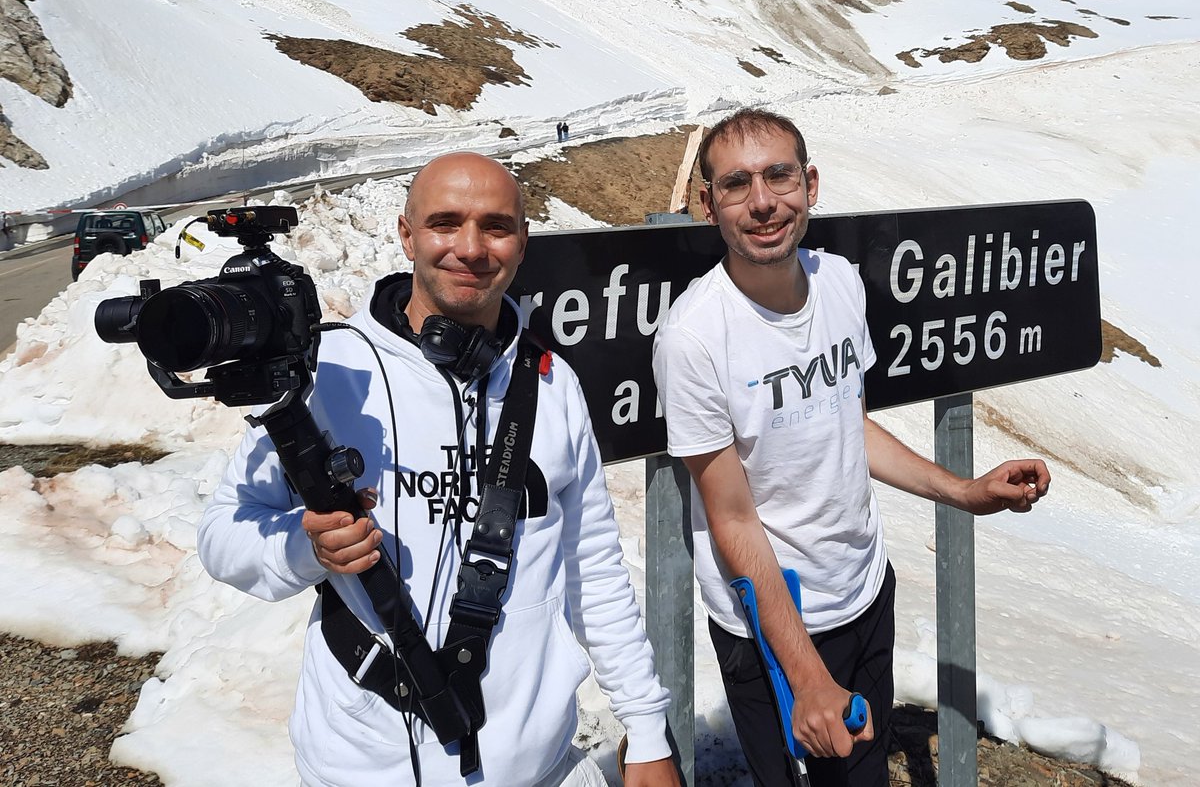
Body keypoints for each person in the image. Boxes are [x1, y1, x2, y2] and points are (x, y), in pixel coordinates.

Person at [199, 152, 680, 787]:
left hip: (539, 769)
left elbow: (592, 563)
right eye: (445, 223)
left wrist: (646, 730)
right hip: (361, 770)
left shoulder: (553, 384)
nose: (471, 248)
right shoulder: (330, 374)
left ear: (522, 240)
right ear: (406, 235)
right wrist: (306, 546)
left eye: (496, 226)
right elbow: (222, 535)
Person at [651, 109, 1052, 787]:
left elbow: (848, 425)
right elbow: (733, 519)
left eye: (779, 176)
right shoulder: (693, 338)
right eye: (737, 184)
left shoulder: (837, 280)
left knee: (863, 775)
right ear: (707, 204)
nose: (764, 202)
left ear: (810, 184)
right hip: (777, 630)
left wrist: (964, 491)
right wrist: (806, 677)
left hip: (866, 590)